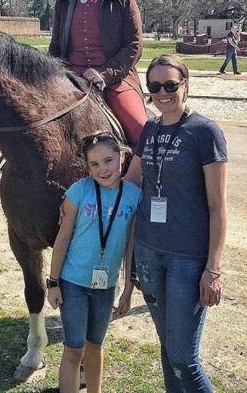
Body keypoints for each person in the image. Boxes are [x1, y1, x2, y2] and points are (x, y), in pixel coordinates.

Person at [125, 54, 228, 392]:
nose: (162, 93)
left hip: (187, 259)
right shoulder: (151, 128)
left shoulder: (205, 132)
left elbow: (217, 206)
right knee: (168, 349)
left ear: (186, 85)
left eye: (170, 85)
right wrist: (84, 198)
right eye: (154, 86)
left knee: (184, 357)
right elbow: (132, 182)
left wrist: (213, 268)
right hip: (149, 253)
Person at [47, 132, 142, 393]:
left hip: (106, 286)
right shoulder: (79, 191)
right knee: (74, 348)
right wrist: (53, 282)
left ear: (122, 157)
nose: (103, 170)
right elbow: (63, 238)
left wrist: (128, 289)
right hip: (73, 283)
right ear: (87, 167)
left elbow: (130, 246)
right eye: (95, 165)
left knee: (96, 346)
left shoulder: (134, 196)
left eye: (109, 160)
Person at [48, 0, 148, 147]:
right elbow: (55, 47)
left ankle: (145, 179)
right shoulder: (64, 1)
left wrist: (104, 74)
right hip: (69, 78)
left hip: (114, 80)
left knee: (141, 129)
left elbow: (134, 45)